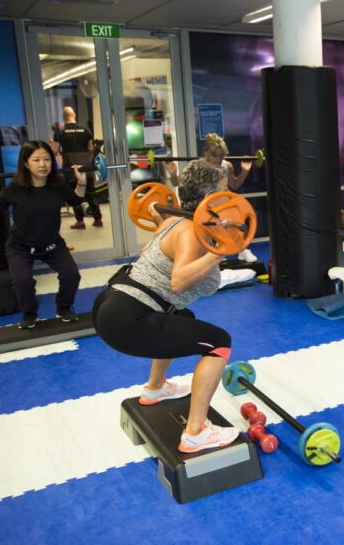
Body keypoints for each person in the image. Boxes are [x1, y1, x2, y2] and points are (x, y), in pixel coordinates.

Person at [92, 160, 238, 453]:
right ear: (211, 198)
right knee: (219, 343)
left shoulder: (174, 221)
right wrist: (221, 253)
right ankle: (195, 433)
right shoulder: (192, 233)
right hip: (129, 319)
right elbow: (179, 282)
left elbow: (150, 253)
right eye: (225, 192)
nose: (230, 198)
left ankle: (155, 388)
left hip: (110, 305)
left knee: (183, 316)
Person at [0, 140, 86, 329]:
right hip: (20, 247)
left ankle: (64, 307)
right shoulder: (15, 188)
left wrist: (81, 182)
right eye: (36, 160)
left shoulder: (58, 185)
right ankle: (30, 313)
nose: (42, 164)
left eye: (47, 159)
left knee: (71, 274)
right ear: (26, 163)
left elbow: (77, 199)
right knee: (22, 281)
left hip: (51, 244)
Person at [166, 133, 256, 262]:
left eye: (221, 156)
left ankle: (242, 249)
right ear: (206, 152)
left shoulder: (227, 165)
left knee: (235, 217)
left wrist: (245, 171)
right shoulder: (197, 167)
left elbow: (235, 185)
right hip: (203, 203)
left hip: (222, 202)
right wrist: (173, 174)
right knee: (209, 223)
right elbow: (178, 183)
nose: (218, 159)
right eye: (215, 155)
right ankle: (214, 251)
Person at [52, 106, 101, 229]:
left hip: (70, 164)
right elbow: (90, 148)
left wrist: (59, 156)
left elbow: (53, 150)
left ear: (64, 116)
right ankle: (98, 219)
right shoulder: (85, 130)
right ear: (74, 114)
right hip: (85, 163)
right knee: (91, 192)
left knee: (75, 193)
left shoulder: (60, 132)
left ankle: (80, 221)